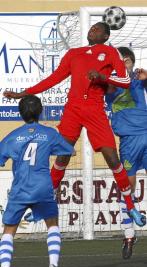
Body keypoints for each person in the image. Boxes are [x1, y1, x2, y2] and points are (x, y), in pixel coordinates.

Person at [3, 22, 146, 226]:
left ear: (106, 36)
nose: (92, 30)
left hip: (95, 110)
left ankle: (131, 207)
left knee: (113, 159)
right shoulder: (74, 53)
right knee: (62, 156)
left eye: (98, 29)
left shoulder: (110, 52)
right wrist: (24, 93)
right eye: (92, 28)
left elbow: (125, 81)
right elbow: (54, 78)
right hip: (73, 109)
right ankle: (44, 206)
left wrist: (102, 77)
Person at [0, 95, 75, 267]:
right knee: (52, 224)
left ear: (20, 114)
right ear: (41, 111)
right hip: (43, 187)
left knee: (9, 230)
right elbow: (70, 151)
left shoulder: (13, 136)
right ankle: (53, 264)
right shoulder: (49, 134)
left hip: (20, 189)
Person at [105, 46, 147, 259]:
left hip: (146, 134)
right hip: (128, 141)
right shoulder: (111, 84)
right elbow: (110, 88)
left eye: (128, 61)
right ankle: (129, 235)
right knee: (126, 189)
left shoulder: (139, 80)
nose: (126, 64)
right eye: (121, 61)